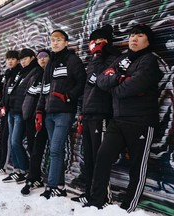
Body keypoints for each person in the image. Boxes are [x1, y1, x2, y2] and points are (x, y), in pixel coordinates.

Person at [84, 24, 162, 212]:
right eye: (132, 35)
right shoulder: (122, 59)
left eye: (140, 35)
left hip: (141, 121)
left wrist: (115, 84)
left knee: (138, 167)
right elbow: (102, 80)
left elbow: (133, 86)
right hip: (117, 120)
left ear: (148, 41)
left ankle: (128, 207)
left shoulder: (149, 60)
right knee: (102, 157)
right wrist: (119, 80)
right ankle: (96, 202)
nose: (134, 38)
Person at [70, 24, 121, 204]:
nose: (94, 44)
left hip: (102, 113)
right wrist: (82, 113)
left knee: (99, 157)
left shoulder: (113, 58)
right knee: (89, 158)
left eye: (98, 40)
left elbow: (101, 80)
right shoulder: (93, 59)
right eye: (93, 41)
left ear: (106, 41)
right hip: (89, 113)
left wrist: (99, 55)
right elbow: (87, 87)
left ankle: (102, 196)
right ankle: (89, 193)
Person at [36, 30, 86, 199]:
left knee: (56, 149)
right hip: (49, 113)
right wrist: (39, 111)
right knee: (55, 150)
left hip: (64, 112)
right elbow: (45, 88)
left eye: (58, 40)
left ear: (66, 42)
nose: (55, 43)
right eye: (52, 40)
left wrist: (69, 96)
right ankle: (60, 186)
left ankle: (51, 186)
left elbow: (81, 82)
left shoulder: (73, 60)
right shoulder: (50, 63)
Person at [1, 48, 40, 184]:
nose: (23, 62)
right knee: (12, 142)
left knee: (15, 141)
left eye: (25, 59)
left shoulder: (34, 72)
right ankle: (17, 170)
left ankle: (24, 170)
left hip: (20, 113)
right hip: (12, 110)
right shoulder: (22, 73)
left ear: (32, 58)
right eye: (22, 59)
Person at [21, 49, 50, 196]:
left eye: (45, 56)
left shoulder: (50, 74)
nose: (42, 59)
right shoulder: (35, 74)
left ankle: (33, 179)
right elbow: (26, 93)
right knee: (33, 148)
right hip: (31, 117)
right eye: (40, 57)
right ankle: (35, 176)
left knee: (39, 149)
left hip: (45, 116)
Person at [0, 50, 22, 176]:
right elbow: (5, 93)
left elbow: (15, 93)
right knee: (2, 139)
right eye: (8, 59)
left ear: (17, 60)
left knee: (8, 140)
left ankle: (4, 165)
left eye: (13, 59)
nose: (10, 61)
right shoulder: (7, 74)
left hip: (13, 111)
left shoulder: (19, 73)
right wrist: (1, 105)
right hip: (5, 110)